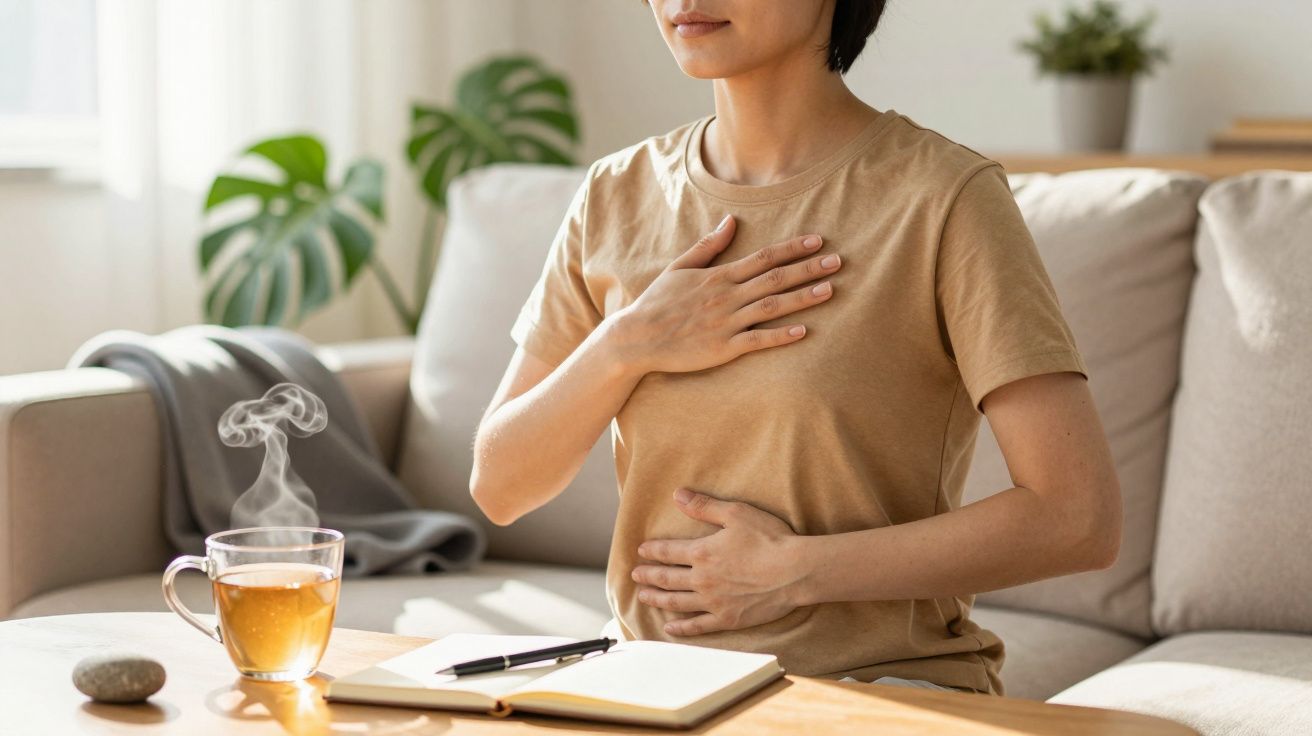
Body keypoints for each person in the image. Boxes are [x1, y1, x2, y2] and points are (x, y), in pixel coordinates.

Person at [469, 0, 1122, 696]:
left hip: (875, 688)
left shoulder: (943, 198)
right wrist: (627, 344)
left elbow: (1076, 516)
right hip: (649, 685)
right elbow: (500, 485)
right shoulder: (612, 195)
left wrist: (793, 571)